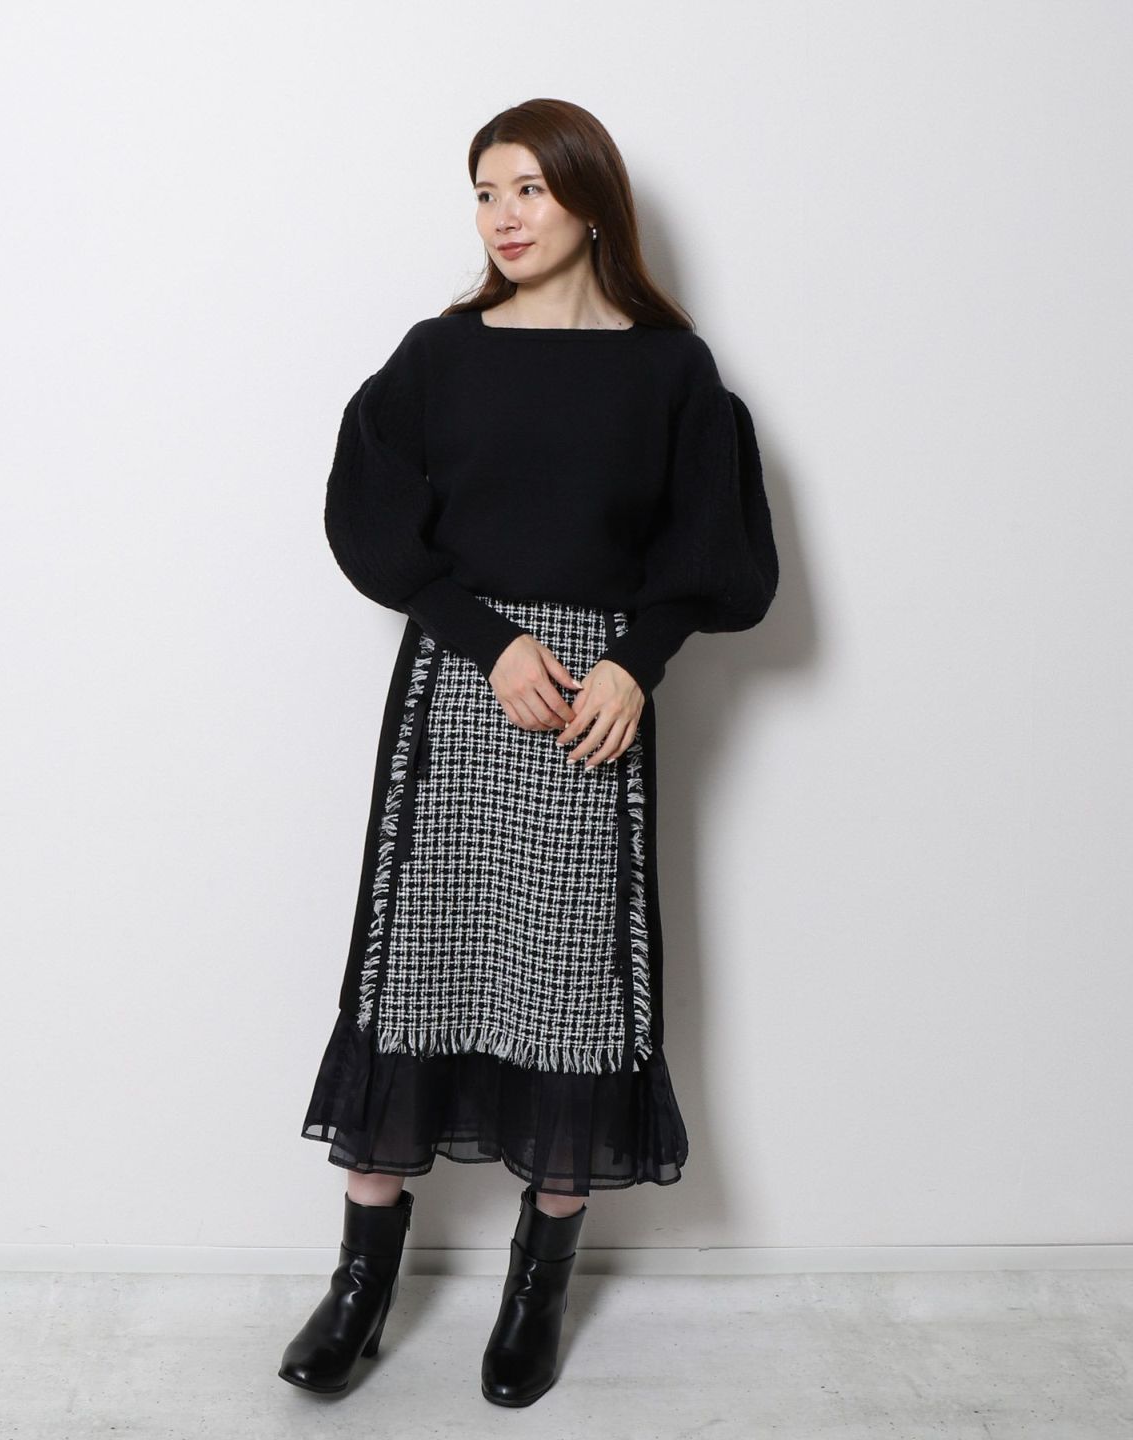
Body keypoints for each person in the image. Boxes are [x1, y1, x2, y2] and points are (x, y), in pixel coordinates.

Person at [279, 96, 779, 1407]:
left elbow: (712, 550)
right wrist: (487, 641)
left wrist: (634, 662)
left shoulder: (669, 371)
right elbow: (369, 520)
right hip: (460, 688)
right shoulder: (440, 356)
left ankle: (535, 1291)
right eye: (484, 193)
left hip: (591, 708)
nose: (502, 218)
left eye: (528, 191)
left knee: (570, 985)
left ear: (591, 204)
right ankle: (359, 1284)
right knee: (418, 964)